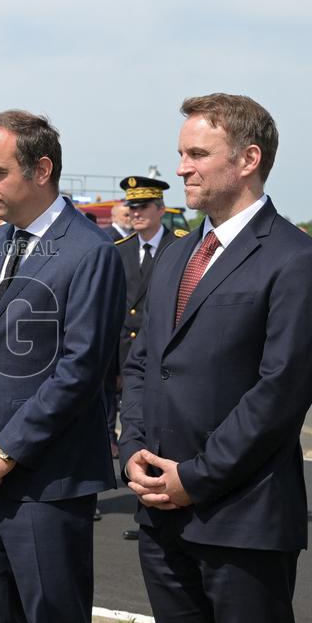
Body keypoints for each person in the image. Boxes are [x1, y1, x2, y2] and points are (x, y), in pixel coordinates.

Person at [118, 94, 312, 623]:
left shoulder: (297, 261)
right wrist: (133, 452)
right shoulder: (177, 253)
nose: (180, 168)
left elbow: (279, 394)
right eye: (181, 153)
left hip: (241, 521)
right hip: (160, 513)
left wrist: (194, 478)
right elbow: (144, 362)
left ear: (247, 160)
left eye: (197, 154)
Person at [0, 110, 124, 623]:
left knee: (55, 622)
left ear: (41, 170)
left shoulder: (90, 252)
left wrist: (6, 452)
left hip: (46, 482)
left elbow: (79, 370)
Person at [112, 175, 183, 541]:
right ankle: (142, 503)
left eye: (143, 207)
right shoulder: (119, 250)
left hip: (158, 356)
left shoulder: (179, 247)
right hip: (125, 356)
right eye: (131, 207)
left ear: (160, 210)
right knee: (129, 432)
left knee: (157, 433)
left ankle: (160, 502)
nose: (135, 213)